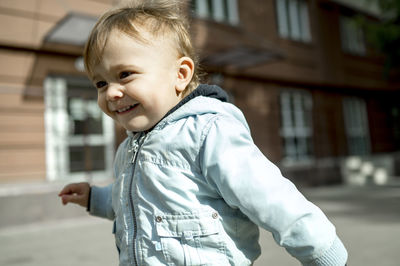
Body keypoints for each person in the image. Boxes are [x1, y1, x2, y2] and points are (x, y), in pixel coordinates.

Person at [59, 0, 348, 265]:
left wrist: (323, 252)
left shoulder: (207, 131)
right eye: (100, 83)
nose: (111, 92)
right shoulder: (127, 149)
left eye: (124, 75)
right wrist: (95, 198)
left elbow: (271, 197)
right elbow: (135, 199)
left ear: (180, 74)